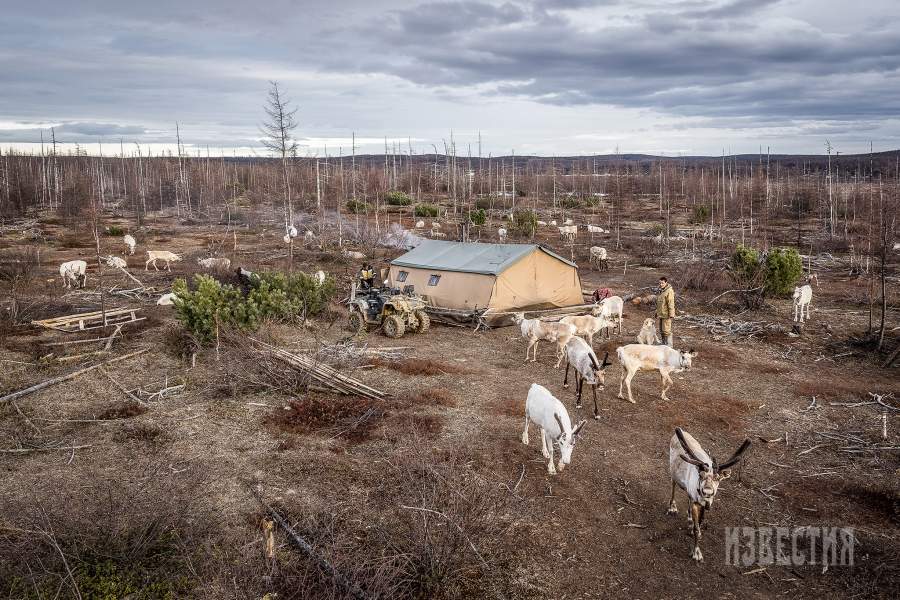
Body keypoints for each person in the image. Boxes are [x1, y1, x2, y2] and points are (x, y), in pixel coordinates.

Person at [656, 276, 676, 347]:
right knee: (661, 330)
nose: (661, 284)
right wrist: (656, 312)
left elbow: (670, 303)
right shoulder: (661, 290)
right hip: (661, 314)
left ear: (666, 283)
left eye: (662, 283)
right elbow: (659, 304)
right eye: (660, 283)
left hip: (666, 314)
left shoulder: (669, 291)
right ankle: (663, 344)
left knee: (666, 330)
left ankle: (668, 345)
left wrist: (671, 314)